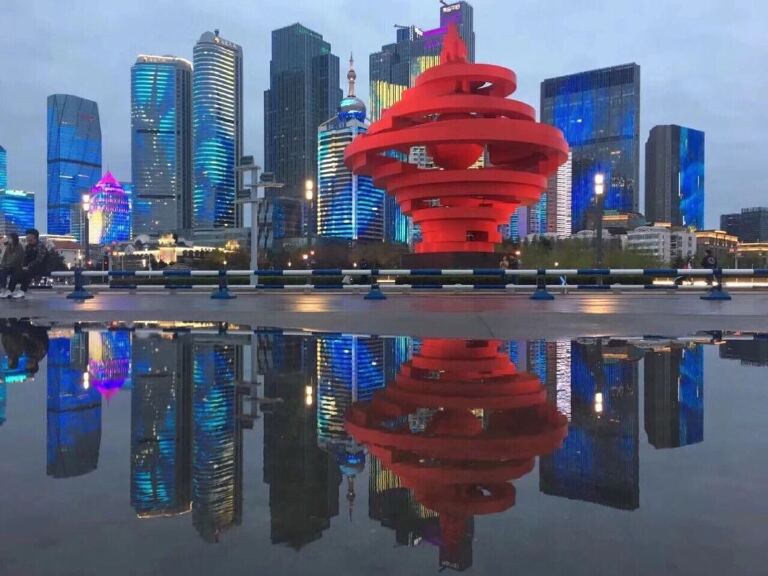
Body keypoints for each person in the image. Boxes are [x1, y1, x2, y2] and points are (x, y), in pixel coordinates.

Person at [7, 228, 49, 299]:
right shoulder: (27, 246)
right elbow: (24, 259)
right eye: (26, 235)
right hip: (30, 267)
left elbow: (39, 260)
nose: (26, 237)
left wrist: (28, 266)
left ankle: (22, 291)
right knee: (16, 271)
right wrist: (22, 266)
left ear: (34, 236)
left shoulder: (41, 246)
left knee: (27, 271)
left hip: (41, 267)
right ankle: (10, 290)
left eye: (28, 235)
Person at [0, 233, 24, 298]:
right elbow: (4, 257)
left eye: (10, 238)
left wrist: (7, 265)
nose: (8, 239)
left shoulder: (19, 246)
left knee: (15, 273)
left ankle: (10, 290)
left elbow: (17, 258)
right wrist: (3, 265)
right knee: (2, 271)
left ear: (14, 239)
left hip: (17, 266)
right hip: (8, 266)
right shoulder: (8, 246)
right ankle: (3, 289)